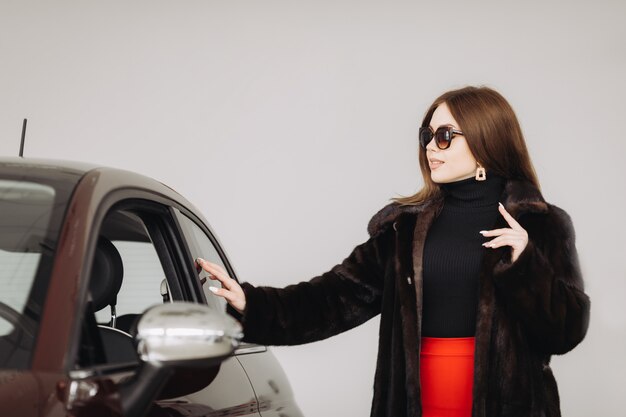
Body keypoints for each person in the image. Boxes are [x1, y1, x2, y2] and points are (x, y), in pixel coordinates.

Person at [196, 86, 590, 417]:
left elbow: (566, 332)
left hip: (508, 404)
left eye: (445, 135)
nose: (431, 147)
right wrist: (252, 303)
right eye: (427, 135)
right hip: (414, 400)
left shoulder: (540, 225)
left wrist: (526, 265)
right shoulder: (404, 228)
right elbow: (332, 298)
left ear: (486, 140)